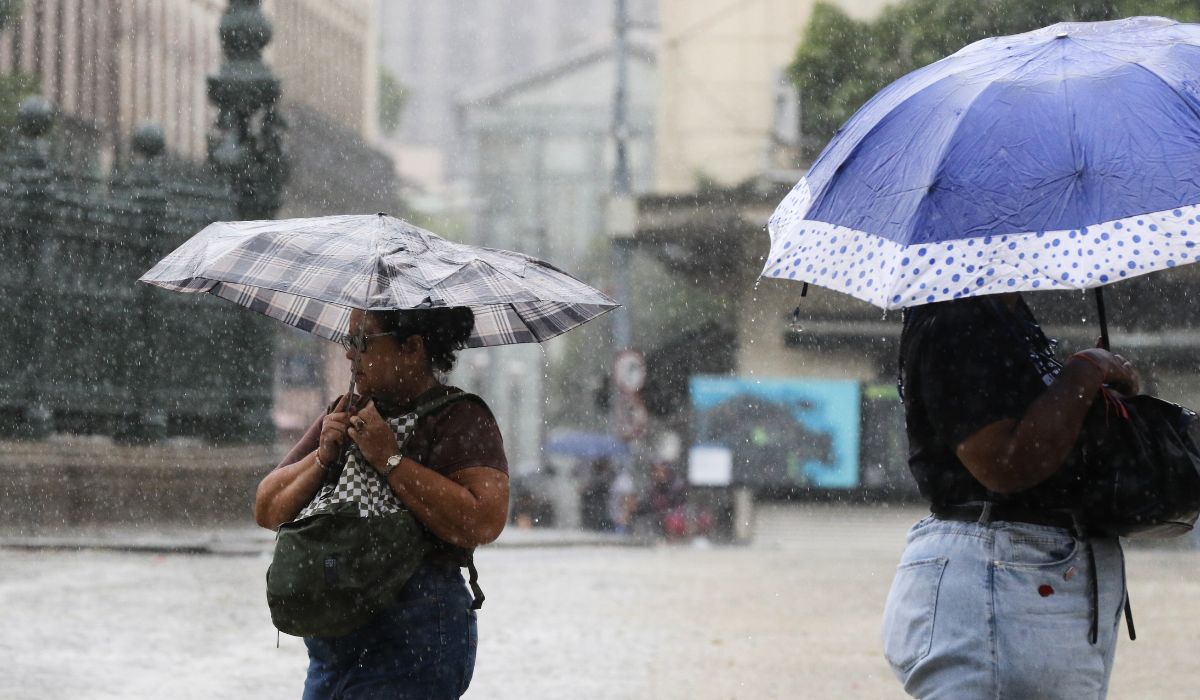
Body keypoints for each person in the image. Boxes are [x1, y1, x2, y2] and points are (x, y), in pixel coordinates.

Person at [882, 292, 1140, 698]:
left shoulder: (1004, 313)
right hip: (1002, 577)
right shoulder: (956, 310)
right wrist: (1084, 373)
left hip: (1026, 579)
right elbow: (1004, 463)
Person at [254, 306, 509, 700]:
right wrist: (323, 455)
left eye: (362, 341)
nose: (349, 353)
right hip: (334, 639)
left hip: (415, 639)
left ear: (411, 348)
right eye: (348, 340)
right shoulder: (343, 412)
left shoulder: (460, 417)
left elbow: (484, 520)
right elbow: (268, 508)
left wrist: (390, 459)